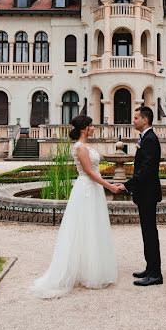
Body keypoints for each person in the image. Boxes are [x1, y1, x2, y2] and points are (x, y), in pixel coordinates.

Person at [29, 115, 120, 298]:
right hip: (86, 188)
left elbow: (93, 171)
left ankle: (90, 269)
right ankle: (87, 272)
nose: (94, 127)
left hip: (91, 189)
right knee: (84, 226)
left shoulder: (84, 146)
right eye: (91, 125)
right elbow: (89, 172)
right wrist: (111, 186)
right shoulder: (79, 147)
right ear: (84, 128)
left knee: (92, 226)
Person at [114, 106, 163, 286]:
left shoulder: (150, 139)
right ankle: (150, 268)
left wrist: (127, 185)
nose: (133, 121)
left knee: (150, 232)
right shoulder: (146, 138)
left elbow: (147, 170)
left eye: (136, 118)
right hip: (145, 192)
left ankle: (155, 273)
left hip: (148, 193)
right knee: (147, 231)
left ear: (145, 120)